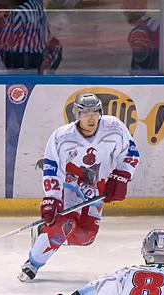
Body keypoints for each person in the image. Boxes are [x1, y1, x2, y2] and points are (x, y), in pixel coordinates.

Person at [18, 93, 139, 282]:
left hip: (97, 186)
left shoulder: (114, 127)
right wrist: (52, 197)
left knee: (85, 237)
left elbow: (130, 153)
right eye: (85, 113)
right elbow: (52, 168)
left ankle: (45, 233)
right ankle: (32, 263)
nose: (91, 117)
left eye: (95, 112)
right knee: (66, 223)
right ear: (76, 114)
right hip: (70, 182)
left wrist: (122, 175)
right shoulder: (62, 137)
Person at [123, 0, 160, 73]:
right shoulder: (152, 24)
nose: (124, 11)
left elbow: (141, 65)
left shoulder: (138, 33)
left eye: (126, 8)